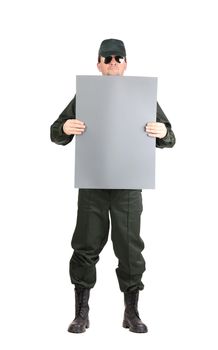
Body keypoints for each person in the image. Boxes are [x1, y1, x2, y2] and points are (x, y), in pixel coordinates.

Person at [50, 38, 176, 334]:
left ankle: (131, 312)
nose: (113, 62)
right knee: (85, 244)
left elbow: (171, 137)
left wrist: (163, 131)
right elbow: (56, 131)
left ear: (126, 63)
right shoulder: (86, 95)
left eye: (118, 58)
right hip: (93, 181)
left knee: (130, 249)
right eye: (107, 58)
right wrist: (65, 128)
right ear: (98, 64)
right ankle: (81, 312)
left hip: (129, 184)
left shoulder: (140, 95)